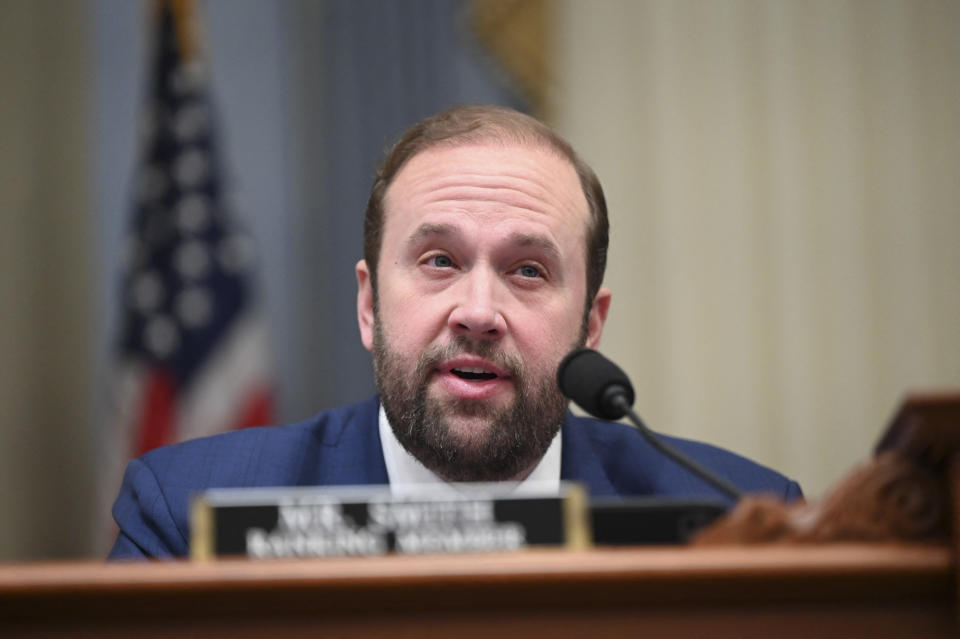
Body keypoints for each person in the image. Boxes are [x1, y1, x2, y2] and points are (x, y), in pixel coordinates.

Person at [109, 106, 801, 559]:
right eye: (439, 260)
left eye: (527, 269)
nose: (477, 310)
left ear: (591, 324)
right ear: (370, 306)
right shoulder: (191, 514)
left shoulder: (736, 524)